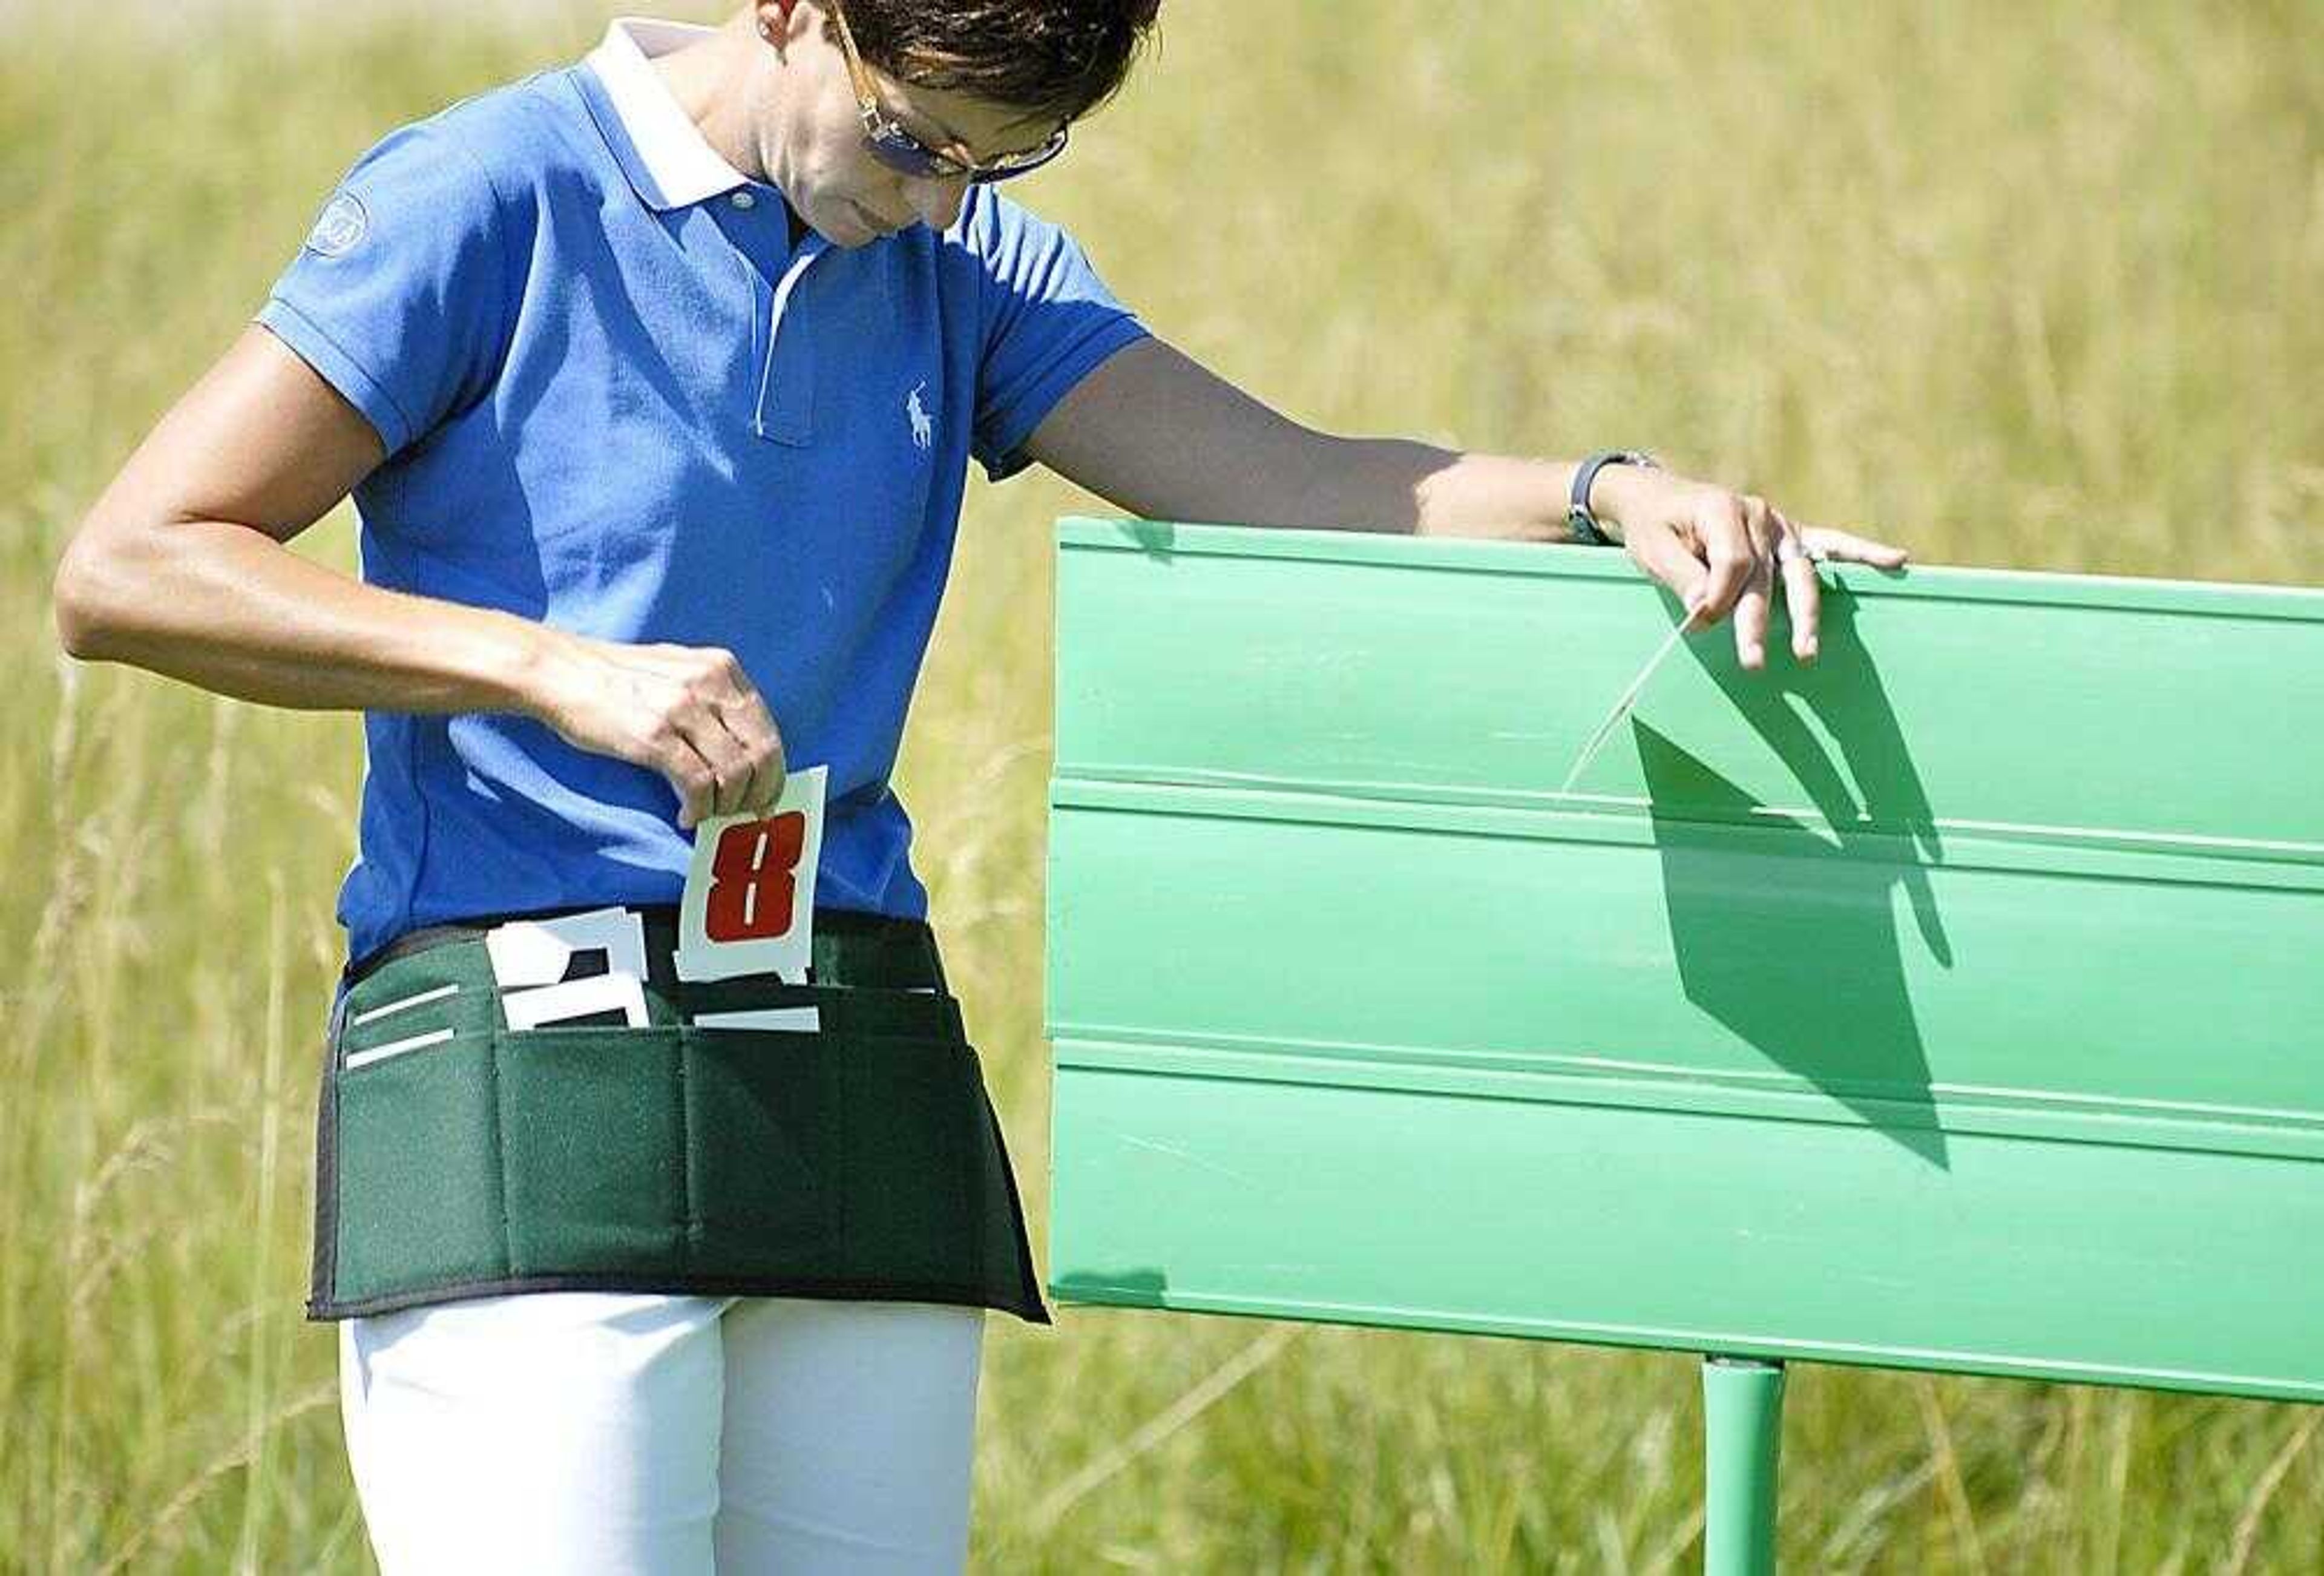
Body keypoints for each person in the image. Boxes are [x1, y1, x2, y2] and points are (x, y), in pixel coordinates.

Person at [50, 2, 1911, 1571]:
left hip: (854, 1062)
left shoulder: (962, 257)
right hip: (535, 1078)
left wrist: (1609, 495)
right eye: (907, 137)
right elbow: (129, 562)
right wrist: (547, 664)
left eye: (990, 161)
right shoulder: (484, 194)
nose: (930, 197)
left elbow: (1297, 477)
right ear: (792, 5)